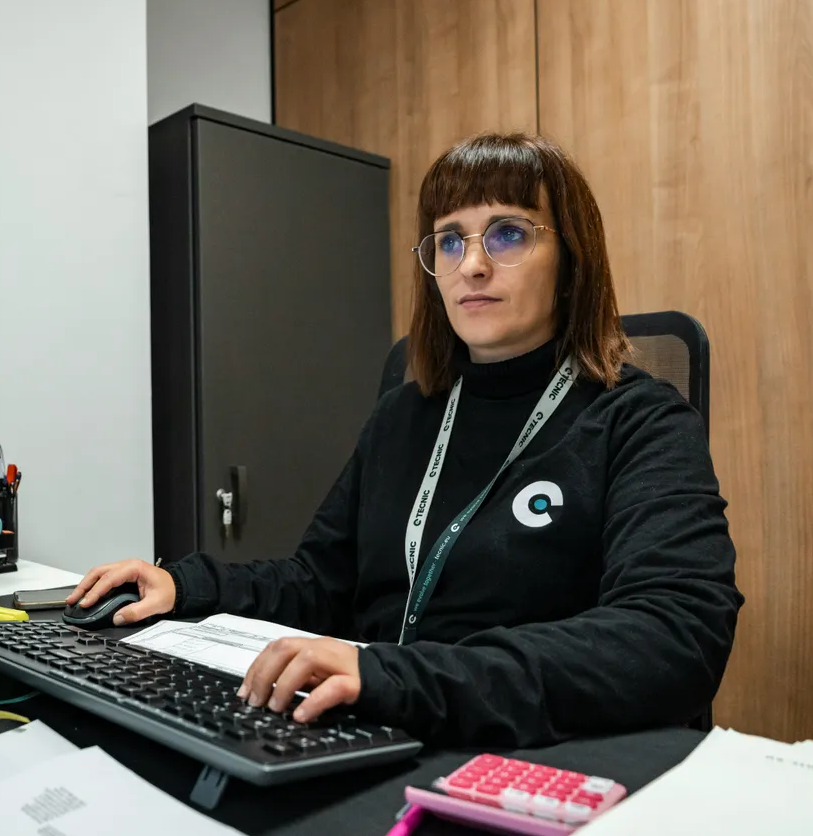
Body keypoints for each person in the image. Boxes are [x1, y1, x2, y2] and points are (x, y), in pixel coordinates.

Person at [68, 133, 743, 747]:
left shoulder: (640, 420)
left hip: (518, 745)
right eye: (449, 240)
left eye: (507, 234)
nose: (471, 265)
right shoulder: (404, 416)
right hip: (373, 723)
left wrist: (397, 676)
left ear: (572, 259)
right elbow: (318, 583)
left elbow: (674, 636)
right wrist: (184, 583)